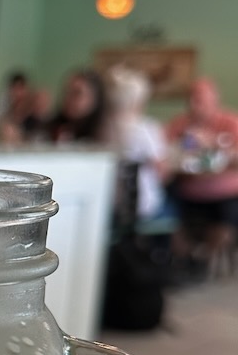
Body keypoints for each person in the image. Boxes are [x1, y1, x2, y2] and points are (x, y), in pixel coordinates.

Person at [165, 77, 238, 274]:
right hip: (187, 187)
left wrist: (213, 144)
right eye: (192, 99)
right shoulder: (178, 124)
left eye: (201, 99)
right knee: (165, 204)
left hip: (224, 190)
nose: (195, 104)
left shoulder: (230, 122)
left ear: (215, 99)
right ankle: (185, 257)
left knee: (230, 213)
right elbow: (165, 155)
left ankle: (204, 259)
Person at [102, 65, 171, 224]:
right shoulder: (147, 128)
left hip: (109, 204)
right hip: (142, 206)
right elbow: (163, 173)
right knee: (174, 201)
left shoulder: (103, 128)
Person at [47, 69, 107, 144]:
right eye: (66, 91)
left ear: (95, 98)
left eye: (77, 93)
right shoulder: (51, 129)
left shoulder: (105, 133)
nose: (68, 98)